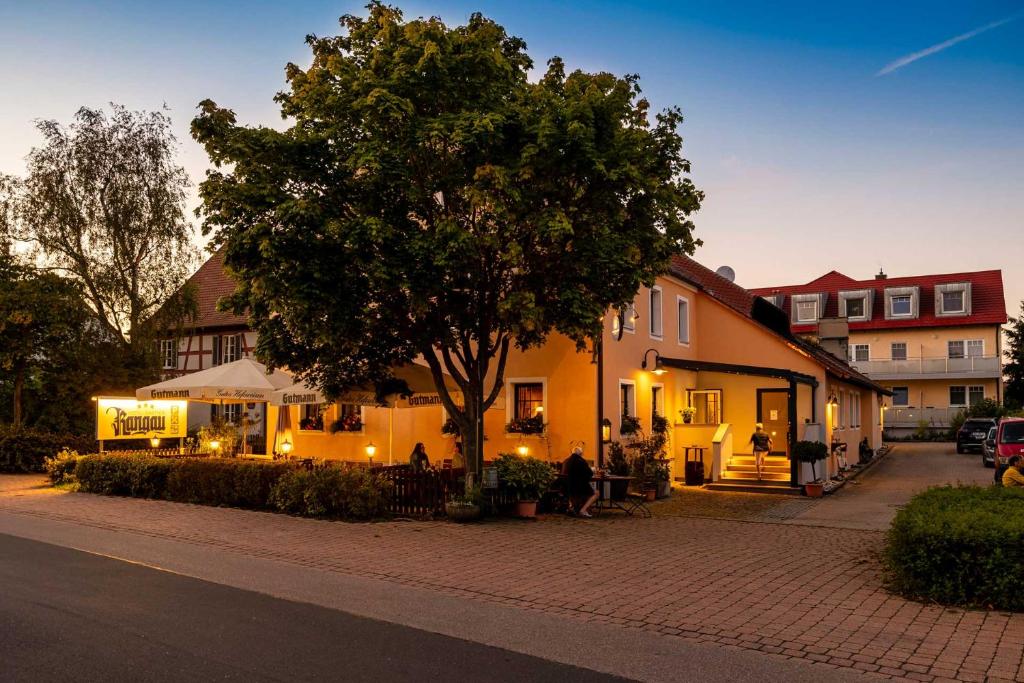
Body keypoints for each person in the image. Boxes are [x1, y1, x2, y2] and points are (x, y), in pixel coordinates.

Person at [562, 446, 598, 518]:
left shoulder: (566, 461)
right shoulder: (581, 461)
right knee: (596, 493)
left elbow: (563, 473)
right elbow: (590, 474)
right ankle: (583, 510)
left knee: (585, 491)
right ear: (581, 454)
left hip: (567, 487)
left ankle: (573, 507)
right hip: (579, 487)